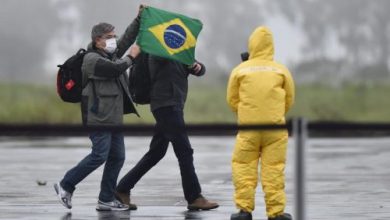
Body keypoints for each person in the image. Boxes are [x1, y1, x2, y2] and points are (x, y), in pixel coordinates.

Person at [54, 10, 142, 211]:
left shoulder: (110, 54)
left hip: (114, 117)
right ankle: (66, 185)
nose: (113, 41)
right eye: (109, 38)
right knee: (99, 155)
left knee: (117, 157)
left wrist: (138, 19)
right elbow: (115, 69)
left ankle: (105, 199)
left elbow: (127, 38)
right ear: (97, 40)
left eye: (114, 37)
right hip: (98, 116)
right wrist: (132, 57)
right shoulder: (92, 60)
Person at [115, 55, 219, 211]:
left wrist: (197, 66)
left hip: (173, 103)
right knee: (185, 151)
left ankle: (122, 188)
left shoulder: (177, 47)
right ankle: (194, 197)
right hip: (166, 104)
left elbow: (197, 67)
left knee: (156, 153)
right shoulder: (157, 48)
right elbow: (158, 65)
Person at [227, 26, 295, 220]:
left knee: (243, 166)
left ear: (252, 45)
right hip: (275, 129)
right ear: (271, 46)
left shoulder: (240, 70)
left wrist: (246, 113)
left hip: (248, 129)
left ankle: (244, 211)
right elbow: (289, 99)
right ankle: (276, 213)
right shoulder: (281, 70)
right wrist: (275, 113)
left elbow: (232, 99)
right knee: (274, 169)